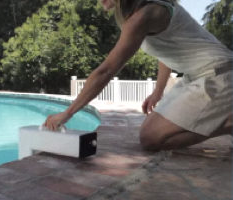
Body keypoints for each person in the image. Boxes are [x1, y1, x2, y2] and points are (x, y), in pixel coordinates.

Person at [44, 0, 233, 151]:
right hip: (198, 75)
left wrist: (67, 113)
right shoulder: (150, 10)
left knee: (150, 139)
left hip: (219, 75)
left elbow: (106, 70)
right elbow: (166, 51)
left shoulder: (144, 15)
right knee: (152, 133)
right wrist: (158, 92)